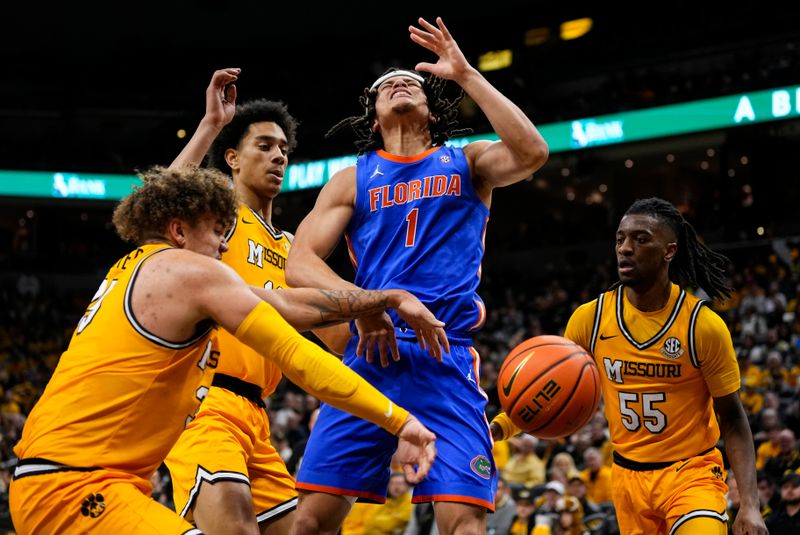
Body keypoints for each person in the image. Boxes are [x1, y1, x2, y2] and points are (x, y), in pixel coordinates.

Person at [8, 166, 441, 534]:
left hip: (90, 480)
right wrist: (400, 421)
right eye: (217, 231)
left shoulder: (144, 265)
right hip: (72, 485)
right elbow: (296, 354)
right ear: (178, 230)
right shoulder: (189, 274)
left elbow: (288, 303)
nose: (225, 245)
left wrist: (383, 298)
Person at [286, 16, 548, 535]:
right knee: (309, 523)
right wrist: (367, 306)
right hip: (370, 354)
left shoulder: (464, 161)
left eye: (411, 82)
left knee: (463, 526)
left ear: (431, 108)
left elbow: (532, 153)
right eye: (387, 85)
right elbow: (299, 262)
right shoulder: (352, 178)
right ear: (375, 113)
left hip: (443, 354)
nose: (399, 83)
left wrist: (468, 75)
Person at [163, 68, 358, 535]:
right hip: (205, 402)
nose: (278, 157)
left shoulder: (295, 248)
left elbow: (334, 337)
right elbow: (162, 202)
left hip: (257, 417)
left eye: (284, 150)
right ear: (231, 158)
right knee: (234, 527)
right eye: (264, 146)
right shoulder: (218, 224)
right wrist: (209, 124)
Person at [560, 197, 765, 534]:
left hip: (692, 474)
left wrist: (750, 503)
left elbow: (732, 416)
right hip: (627, 479)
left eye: (640, 239)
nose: (625, 248)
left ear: (669, 251)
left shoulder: (702, 326)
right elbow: (553, 390)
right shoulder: (590, 319)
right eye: (620, 239)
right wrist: (503, 426)